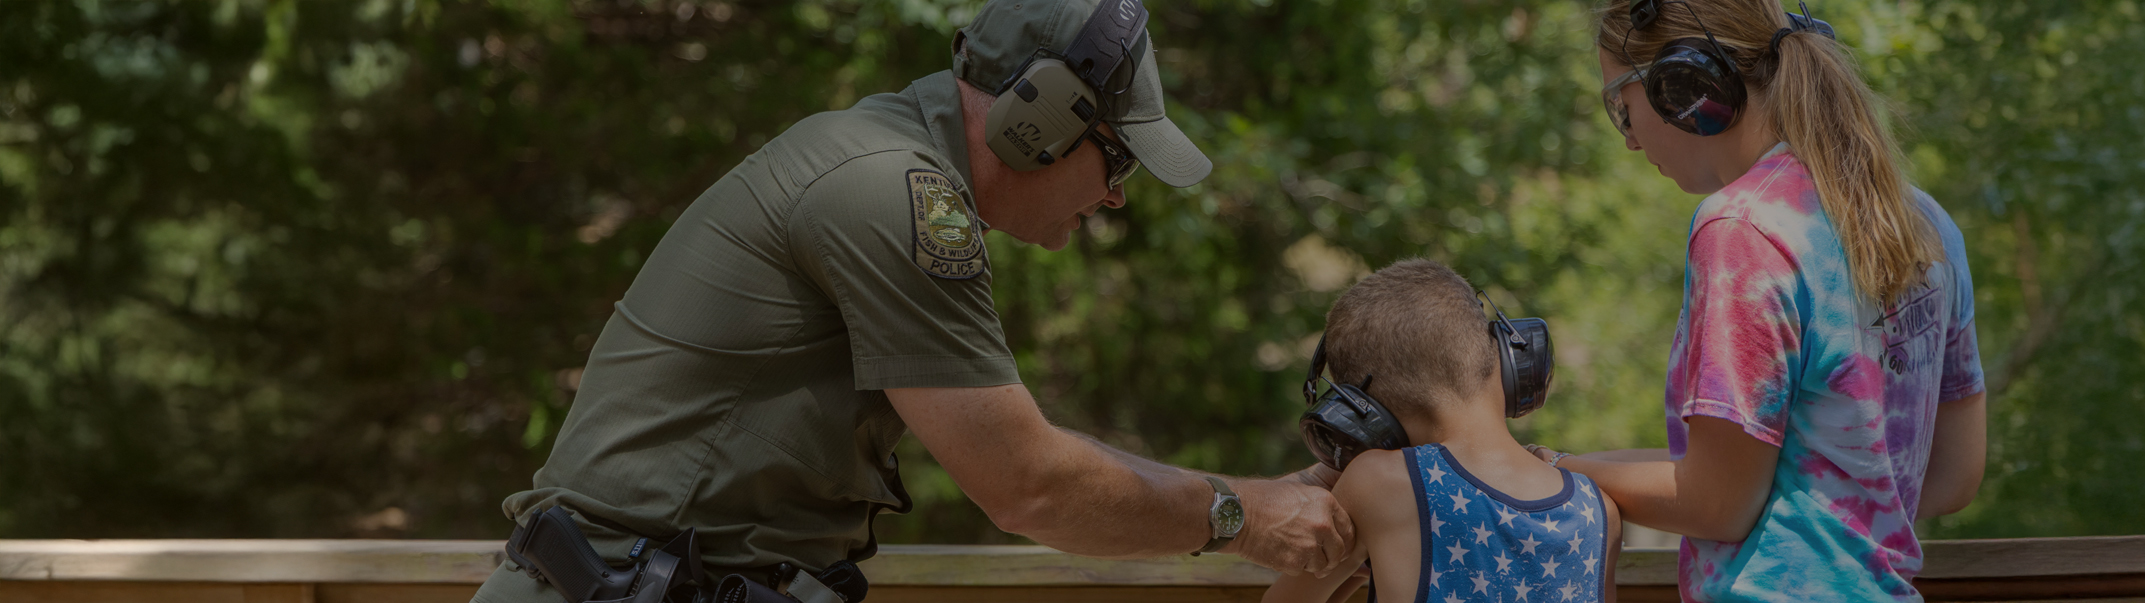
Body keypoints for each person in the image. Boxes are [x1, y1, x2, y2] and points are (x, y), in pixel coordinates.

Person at [469, 1, 1355, 601]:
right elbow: (1028, 486)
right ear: (1036, 119)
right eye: (1116, 158)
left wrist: (1251, 495)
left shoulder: (883, 165)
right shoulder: (895, 193)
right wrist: (1239, 516)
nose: (1117, 195)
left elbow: (1029, 444)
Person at [1522, 1, 1988, 601]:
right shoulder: (1923, 222)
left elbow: (1716, 505)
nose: (1632, 140)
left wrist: (1555, 471)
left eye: (1621, 104)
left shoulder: (1742, 229)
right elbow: (1953, 477)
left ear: (1683, 85)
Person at [1263, 260, 1623, 603]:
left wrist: (1356, 559)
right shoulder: (1599, 510)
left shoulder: (1377, 481)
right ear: (1508, 360)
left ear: (1365, 421)